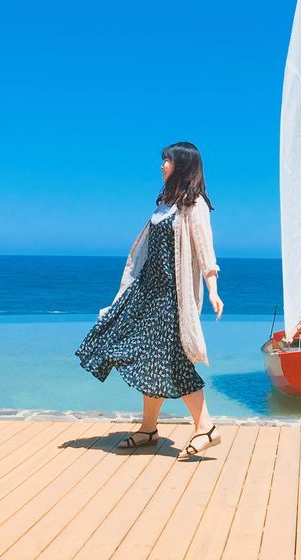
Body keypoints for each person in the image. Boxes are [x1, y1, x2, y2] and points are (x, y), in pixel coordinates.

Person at [76, 141, 224, 460]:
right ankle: (148, 429)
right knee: (140, 354)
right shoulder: (163, 205)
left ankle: (206, 427)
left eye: (167, 160)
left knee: (173, 360)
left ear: (182, 165)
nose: (161, 165)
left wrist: (213, 289)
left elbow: (204, 249)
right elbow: (142, 253)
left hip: (171, 298)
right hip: (146, 293)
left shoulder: (193, 205)